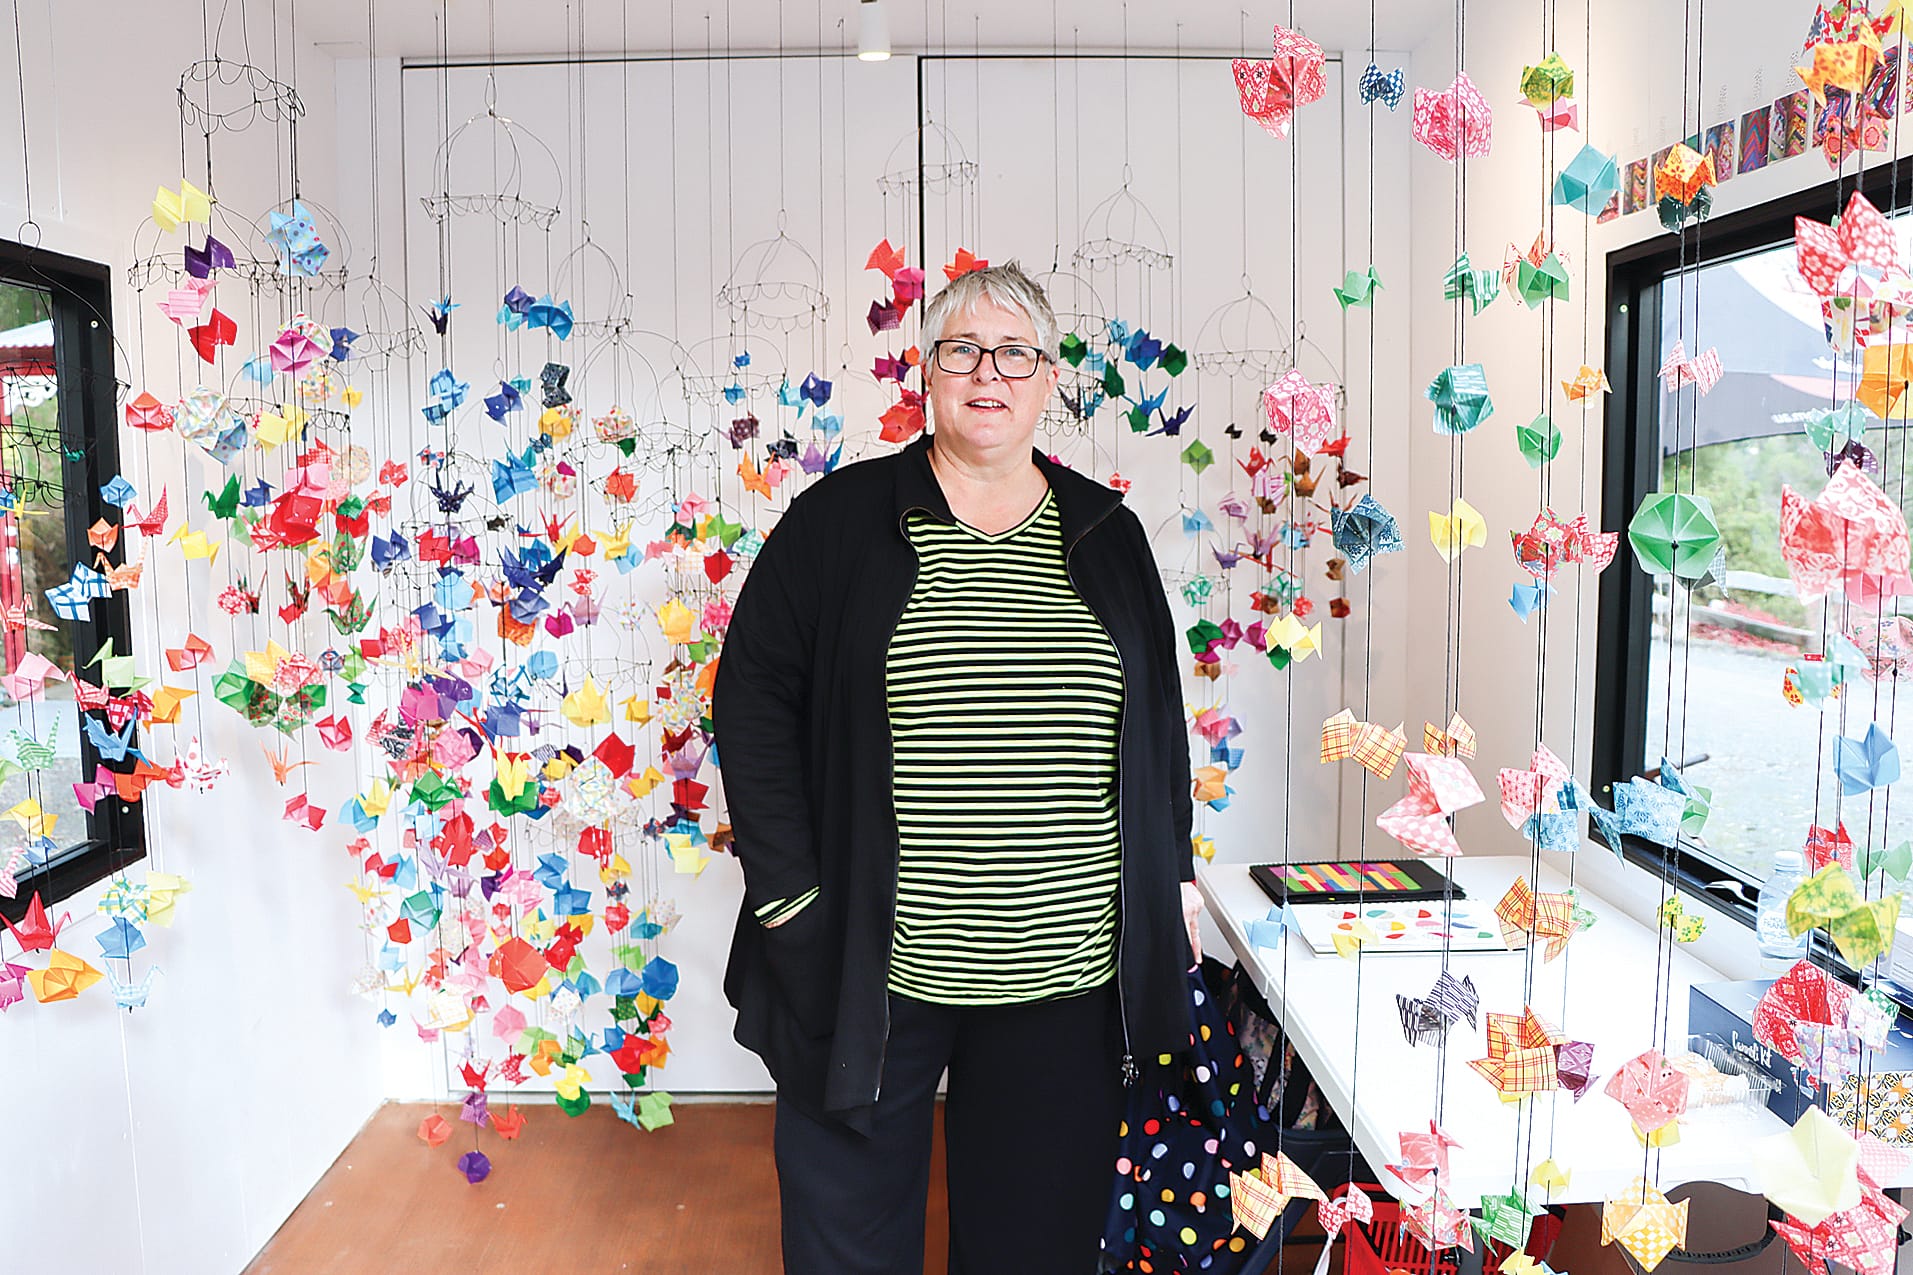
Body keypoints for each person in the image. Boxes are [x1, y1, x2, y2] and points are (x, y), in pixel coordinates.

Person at [713, 260, 1201, 1274]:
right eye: (962, 350)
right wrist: (790, 903)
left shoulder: (1105, 535)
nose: (989, 372)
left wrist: (1175, 876)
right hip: (871, 967)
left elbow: (1152, 720)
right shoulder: (838, 523)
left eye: (1014, 351)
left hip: (1063, 975)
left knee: (1031, 1244)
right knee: (848, 1239)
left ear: (1049, 375)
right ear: (926, 374)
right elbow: (752, 702)